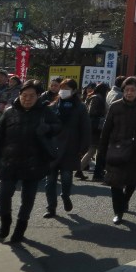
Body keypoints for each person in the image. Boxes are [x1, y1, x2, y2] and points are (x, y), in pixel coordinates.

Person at [0, 80, 61, 242]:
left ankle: (20, 227)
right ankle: (5, 221)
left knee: (28, 198)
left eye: (32, 95)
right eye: (24, 95)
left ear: (38, 96)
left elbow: (58, 126)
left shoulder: (45, 112)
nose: (27, 98)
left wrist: (48, 128)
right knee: (3, 195)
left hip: (35, 162)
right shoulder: (10, 112)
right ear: (20, 95)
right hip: (9, 161)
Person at [98, 76, 136, 225]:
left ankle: (125, 200)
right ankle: (118, 211)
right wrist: (102, 149)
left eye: (132, 90)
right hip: (116, 149)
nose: (129, 93)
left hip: (135, 150)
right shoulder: (115, 106)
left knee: (132, 180)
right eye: (126, 90)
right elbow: (106, 130)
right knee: (115, 182)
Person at [43, 79, 91, 218]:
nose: (63, 90)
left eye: (67, 88)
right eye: (61, 87)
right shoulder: (53, 105)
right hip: (52, 147)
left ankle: (65, 196)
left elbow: (85, 128)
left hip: (71, 147)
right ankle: (51, 207)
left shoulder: (80, 107)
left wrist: (83, 147)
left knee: (66, 177)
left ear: (74, 90)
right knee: (50, 180)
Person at [80, 82, 108, 178]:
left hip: (93, 127)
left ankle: (81, 169)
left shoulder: (93, 96)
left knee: (92, 150)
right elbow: (92, 112)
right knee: (92, 150)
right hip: (96, 128)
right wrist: (100, 116)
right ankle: (80, 169)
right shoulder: (97, 98)